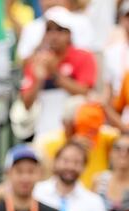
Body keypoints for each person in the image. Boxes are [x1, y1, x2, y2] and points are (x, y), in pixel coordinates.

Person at [19, 7, 96, 139]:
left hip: (76, 129)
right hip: (44, 129)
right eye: (49, 30)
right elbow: (26, 104)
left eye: (60, 30)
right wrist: (39, 80)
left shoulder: (83, 56)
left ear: (70, 33)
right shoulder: (36, 61)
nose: (54, 36)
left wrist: (54, 73)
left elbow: (85, 92)